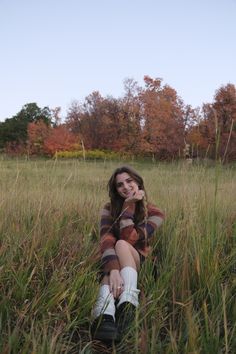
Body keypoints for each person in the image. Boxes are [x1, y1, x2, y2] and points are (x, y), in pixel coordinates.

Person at [91, 165, 165, 342]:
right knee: (109, 266)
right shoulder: (108, 208)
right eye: (120, 184)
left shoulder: (156, 213)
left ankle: (128, 305)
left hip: (137, 259)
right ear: (115, 190)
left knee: (122, 244)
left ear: (138, 182)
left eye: (129, 181)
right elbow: (106, 239)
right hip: (112, 258)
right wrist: (114, 270)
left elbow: (130, 238)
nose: (125, 186)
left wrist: (129, 206)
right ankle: (105, 316)